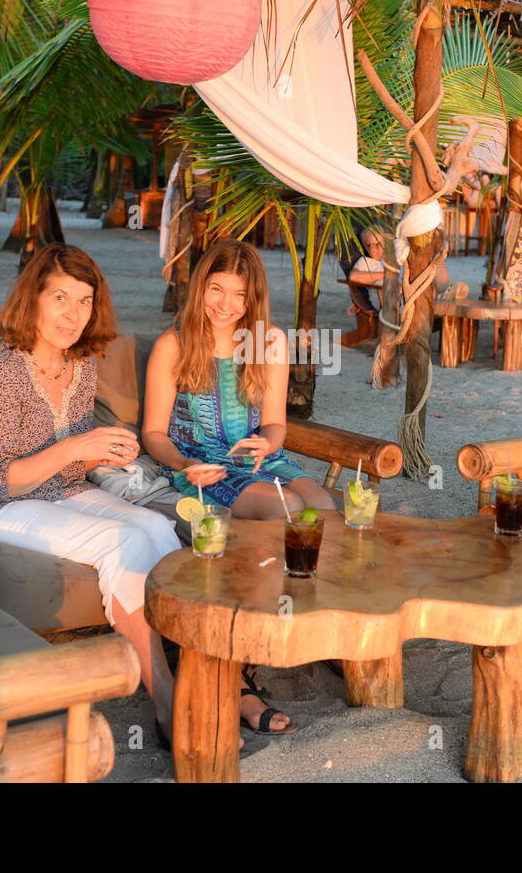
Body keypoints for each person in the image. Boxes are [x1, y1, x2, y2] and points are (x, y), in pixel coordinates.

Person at [0, 243, 180, 743]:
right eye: (60, 298)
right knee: (121, 542)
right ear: (32, 298)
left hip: (62, 491)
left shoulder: (79, 366)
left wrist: (103, 454)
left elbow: (69, 464)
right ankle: (164, 695)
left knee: (157, 526)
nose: (72, 314)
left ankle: (187, 660)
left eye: (83, 301)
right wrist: (78, 445)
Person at [143, 240, 335, 735]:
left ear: (253, 301)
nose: (226, 304)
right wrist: (183, 461)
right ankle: (242, 665)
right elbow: (153, 433)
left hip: (259, 456)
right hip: (203, 464)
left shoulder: (268, 342)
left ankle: (312, 622)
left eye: (239, 295)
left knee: (322, 506)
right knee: (284, 507)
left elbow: (276, 426)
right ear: (200, 288)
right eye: (216, 289)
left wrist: (263, 445)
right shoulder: (175, 344)